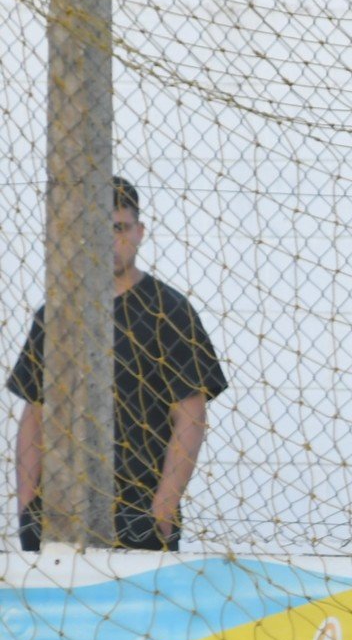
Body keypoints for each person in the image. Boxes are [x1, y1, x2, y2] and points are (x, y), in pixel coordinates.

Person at [9, 176, 228, 551]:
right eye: (96, 229)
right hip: (60, 511)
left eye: (119, 227)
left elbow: (190, 418)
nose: (109, 239)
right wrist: (28, 507)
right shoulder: (58, 313)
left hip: (137, 510)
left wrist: (161, 513)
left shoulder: (169, 311)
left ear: (139, 231)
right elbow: (34, 415)